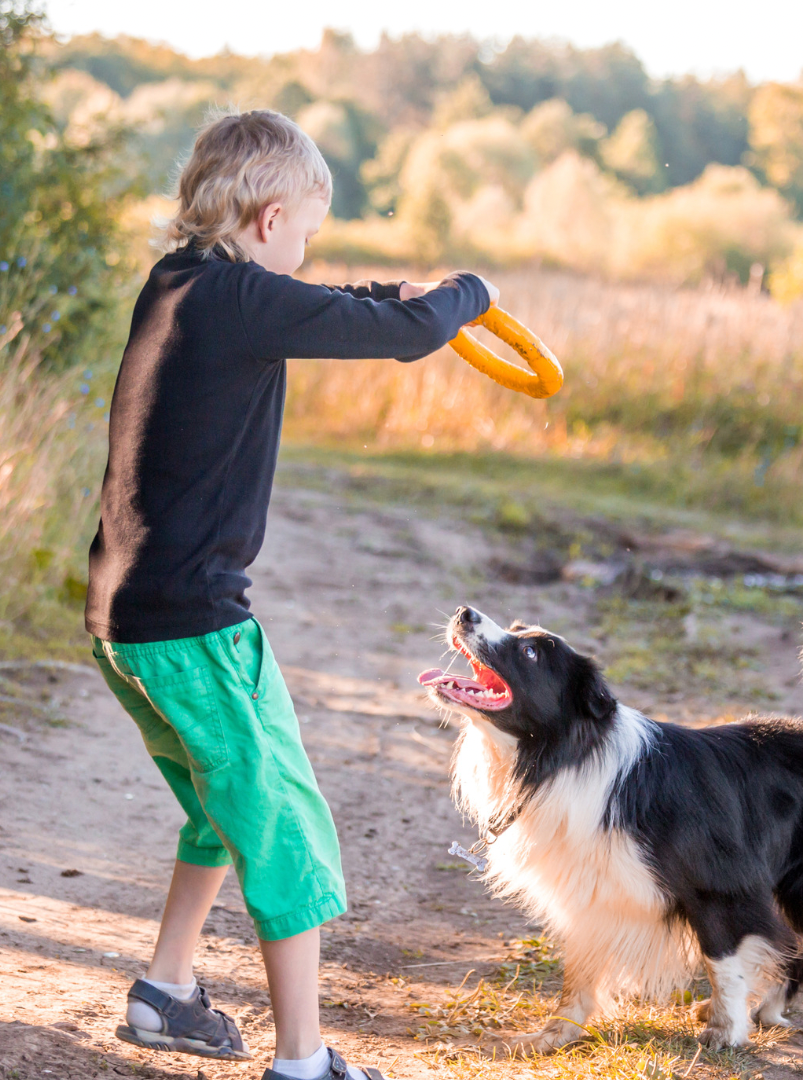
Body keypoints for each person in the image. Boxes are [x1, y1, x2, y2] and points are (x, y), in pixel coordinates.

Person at [84, 108, 496, 1080]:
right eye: (307, 228)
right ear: (270, 219)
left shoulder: (184, 284)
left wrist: (382, 291)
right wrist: (466, 294)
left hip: (125, 624)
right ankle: (303, 1061)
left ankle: (166, 990)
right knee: (286, 829)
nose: (307, 247)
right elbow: (403, 338)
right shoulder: (239, 299)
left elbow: (327, 307)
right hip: (197, 630)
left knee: (218, 808)